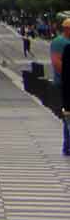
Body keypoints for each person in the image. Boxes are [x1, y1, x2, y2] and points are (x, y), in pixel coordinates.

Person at [51, 17, 70, 156]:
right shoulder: (59, 42)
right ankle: (67, 145)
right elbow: (57, 62)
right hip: (64, 84)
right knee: (68, 115)